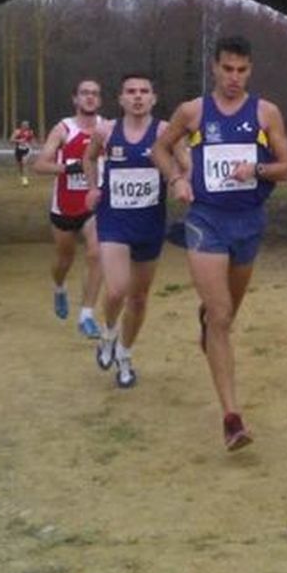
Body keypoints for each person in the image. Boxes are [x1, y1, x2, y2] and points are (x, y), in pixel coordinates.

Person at [151, 36, 287, 451]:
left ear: (250, 70)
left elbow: (285, 167)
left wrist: (257, 169)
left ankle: (209, 324)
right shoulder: (193, 111)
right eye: (227, 69)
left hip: (249, 222)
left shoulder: (266, 112)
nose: (234, 77)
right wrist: (176, 178)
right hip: (205, 221)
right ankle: (232, 418)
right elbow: (160, 149)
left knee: (225, 318)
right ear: (214, 67)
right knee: (221, 313)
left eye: (241, 70)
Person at [87, 74, 169, 390]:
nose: (137, 96)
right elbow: (88, 158)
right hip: (114, 220)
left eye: (144, 91)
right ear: (120, 99)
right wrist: (93, 187)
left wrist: (181, 179)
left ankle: (125, 354)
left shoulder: (164, 132)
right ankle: (108, 334)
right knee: (116, 290)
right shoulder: (106, 131)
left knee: (138, 298)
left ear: (153, 98)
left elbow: (185, 164)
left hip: (150, 222)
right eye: (131, 91)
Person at [33, 79, 108, 338]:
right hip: (65, 206)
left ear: (100, 100)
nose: (90, 97)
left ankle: (86, 315)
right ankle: (59, 287)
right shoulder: (63, 129)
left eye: (95, 93)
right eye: (84, 93)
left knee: (96, 253)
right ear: (75, 99)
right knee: (64, 259)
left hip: (94, 203)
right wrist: (69, 168)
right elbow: (40, 165)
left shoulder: (106, 128)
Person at [11, 120, 36, 186]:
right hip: (18, 150)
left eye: (27, 125)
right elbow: (11, 140)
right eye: (24, 125)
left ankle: (25, 179)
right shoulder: (17, 132)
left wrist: (33, 144)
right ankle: (22, 176)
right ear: (21, 126)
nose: (26, 126)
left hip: (27, 150)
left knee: (24, 162)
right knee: (20, 165)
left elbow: (32, 140)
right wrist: (19, 140)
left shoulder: (30, 132)